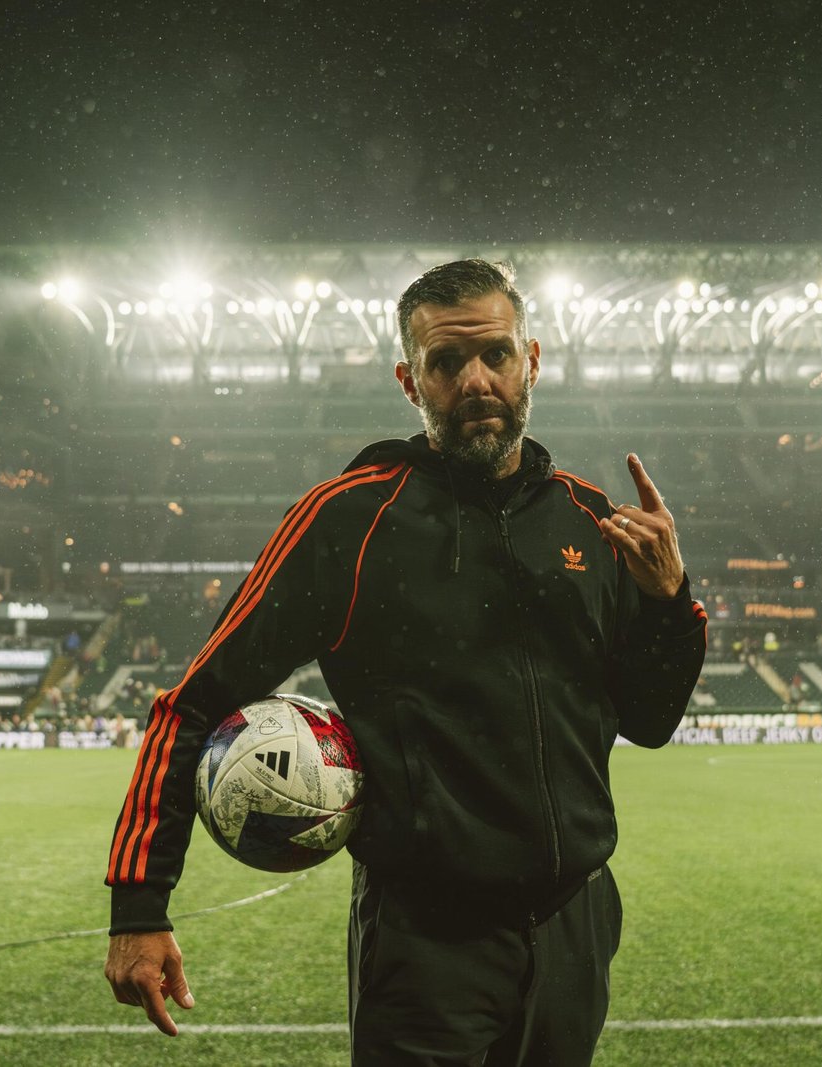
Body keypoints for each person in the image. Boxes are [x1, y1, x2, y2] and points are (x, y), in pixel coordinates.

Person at [102, 259, 707, 1064]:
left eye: (494, 354)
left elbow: (651, 719)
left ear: (532, 360)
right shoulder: (347, 519)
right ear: (409, 380)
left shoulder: (590, 519)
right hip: (427, 946)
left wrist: (669, 602)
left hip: (577, 926)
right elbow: (192, 702)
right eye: (446, 362)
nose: (475, 380)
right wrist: (140, 905)